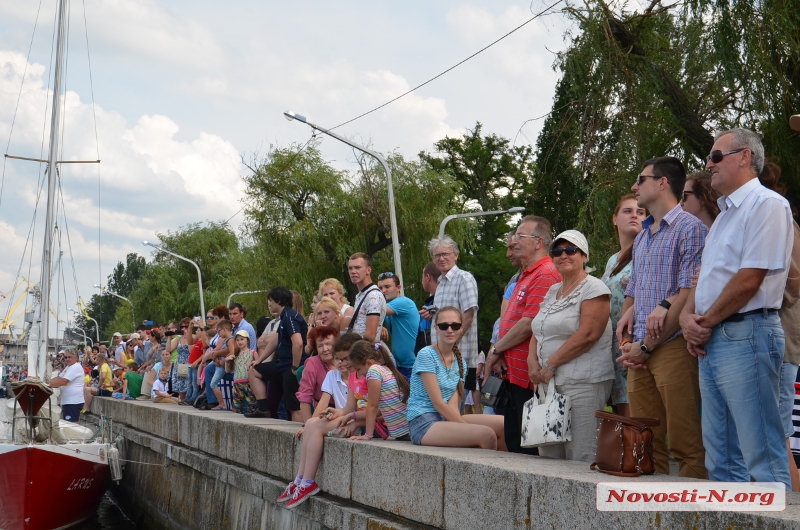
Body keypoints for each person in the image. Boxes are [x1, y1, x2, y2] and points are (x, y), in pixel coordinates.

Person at [681, 129, 793, 487]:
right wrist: (689, 320)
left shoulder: (768, 205)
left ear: (745, 157)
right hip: (718, 336)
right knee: (722, 457)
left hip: (747, 333)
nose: (707, 165)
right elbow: (706, 278)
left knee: (762, 454)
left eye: (715, 157)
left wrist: (705, 322)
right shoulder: (726, 215)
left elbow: (750, 278)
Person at [617, 156, 708, 479]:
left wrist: (647, 345)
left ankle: (693, 517)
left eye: (641, 179)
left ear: (662, 182)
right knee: (645, 442)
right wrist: (626, 325)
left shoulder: (691, 229)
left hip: (672, 346)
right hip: (641, 348)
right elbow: (637, 286)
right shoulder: (642, 236)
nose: (635, 186)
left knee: (686, 443)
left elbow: (687, 296)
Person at [530, 231, 614, 462]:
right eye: (557, 251)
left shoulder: (595, 288)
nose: (563, 255)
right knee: (549, 452)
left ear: (584, 255)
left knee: (581, 454)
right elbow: (539, 328)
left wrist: (551, 364)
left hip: (583, 383)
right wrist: (532, 362)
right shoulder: (552, 291)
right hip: (549, 384)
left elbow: (588, 334)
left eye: (571, 250)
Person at [484, 217, 561, 454]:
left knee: (528, 448)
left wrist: (496, 350)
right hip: (514, 374)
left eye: (520, 236)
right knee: (515, 442)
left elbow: (530, 323)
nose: (514, 241)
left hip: (530, 377)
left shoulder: (545, 272)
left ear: (539, 242)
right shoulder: (526, 274)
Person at [277, 333, 363, 509]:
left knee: (314, 427)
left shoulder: (361, 377)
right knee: (311, 424)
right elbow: (323, 404)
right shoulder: (333, 375)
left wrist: (315, 426)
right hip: (345, 418)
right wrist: (309, 425)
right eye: (338, 359)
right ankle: (299, 480)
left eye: (346, 359)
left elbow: (362, 409)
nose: (342, 363)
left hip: (357, 422)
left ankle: (308, 482)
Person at [407, 306, 506, 450]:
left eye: (455, 326)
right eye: (443, 326)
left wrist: (464, 428)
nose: (449, 330)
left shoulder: (461, 364)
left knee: (503, 424)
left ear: (461, 328)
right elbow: (438, 403)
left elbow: (452, 407)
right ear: (436, 328)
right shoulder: (426, 354)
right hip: (423, 421)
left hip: (444, 418)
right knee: (486, 434)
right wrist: (468, 429)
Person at [758, 161, 800, 490]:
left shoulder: (782, 220)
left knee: (778, 430)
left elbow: (795, 282)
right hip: (773, 336)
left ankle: (785, 504)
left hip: (783, 336)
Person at [600, 195, 646, 416]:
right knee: (619, 416)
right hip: (612, 346)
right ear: (615, 219)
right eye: (628, 211)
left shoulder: (646, 252)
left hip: (635, 343)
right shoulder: (612, 261)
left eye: (641, 212)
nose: (635, 215)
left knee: (634, 416)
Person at [423, 236, 480, 405]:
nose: (441, 258)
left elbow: (468, 316)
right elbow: (447, 315)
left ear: (456, 255)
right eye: (437, 255)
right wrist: (432, 312)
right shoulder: (441, 284)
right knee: (445, 408)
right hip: (443, 356)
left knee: (455, 410)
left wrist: (448, 346)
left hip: (458, 356)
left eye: (445, 254)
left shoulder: (464, 279)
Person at [246, 287, 308, 421]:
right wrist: (259, 360)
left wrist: (295, 368)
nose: (269, 304)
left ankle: (299, 434)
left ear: (279, 301)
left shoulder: (290, 317)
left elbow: (298, 343)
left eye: (271, 301)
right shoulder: (283, 317)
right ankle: (263, 409)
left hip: (291, 365)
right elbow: (275, 341)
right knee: (254, 371)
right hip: (281, 364)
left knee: (294, 407)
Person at [347, 340, 410, 443]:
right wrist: (352, 416)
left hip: (404, 431)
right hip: (406, 430)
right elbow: (382, 408)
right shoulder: (385, 369)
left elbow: (372, 406)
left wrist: (367, 435)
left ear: (369, 362)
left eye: (358, 369)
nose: (359, 374)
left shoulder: (373, 371)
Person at [377, 271, 420, 380]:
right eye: (380, 288)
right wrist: (380, 326)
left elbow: (373, 311)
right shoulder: (388, 307)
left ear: (398, 287)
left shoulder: (403, 302)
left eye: (387, 287)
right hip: (400, 366)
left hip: (414, 366)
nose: (383, 291)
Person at [296, 325, 338, 422]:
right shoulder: (313, 363)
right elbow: (304, 396)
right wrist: (308, 424)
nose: (325, 349)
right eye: (320, 346)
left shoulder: (345, 362)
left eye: (328, 344)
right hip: (323, 414)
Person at [345, 253, 386, 342]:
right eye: (350, 268)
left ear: (368, 270)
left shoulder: (373, 295)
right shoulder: (361, 294)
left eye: (357, 267)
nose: (353, 271)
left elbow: (370, 335)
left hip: (365, 351)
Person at [49, 349, 84, 422]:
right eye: (66, 357)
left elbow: (63, 381)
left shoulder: (75, 367)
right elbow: (59, 378)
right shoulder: (69, 367)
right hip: (67, 401)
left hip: (73, 401)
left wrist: (49, 385)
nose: (67, 359)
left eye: (70, 357)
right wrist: (49, 382)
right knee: (68, 425)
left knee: (72, 426)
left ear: (76, 358)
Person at [228, 330, 257, 414]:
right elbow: (228, 370)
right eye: (237, 340)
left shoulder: (253, 353)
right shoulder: (235, 355)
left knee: (251, 406)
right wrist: (227, 361)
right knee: (236, 408)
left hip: (249, 383)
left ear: (247, 340)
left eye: (242, 339)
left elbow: (258, 366)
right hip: (237, 383)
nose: (239, 342)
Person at [415, 262, 440, 354]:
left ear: (428, 277)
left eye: (422, 277)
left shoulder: (437, 301)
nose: (422, 281)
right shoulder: (430, 300)